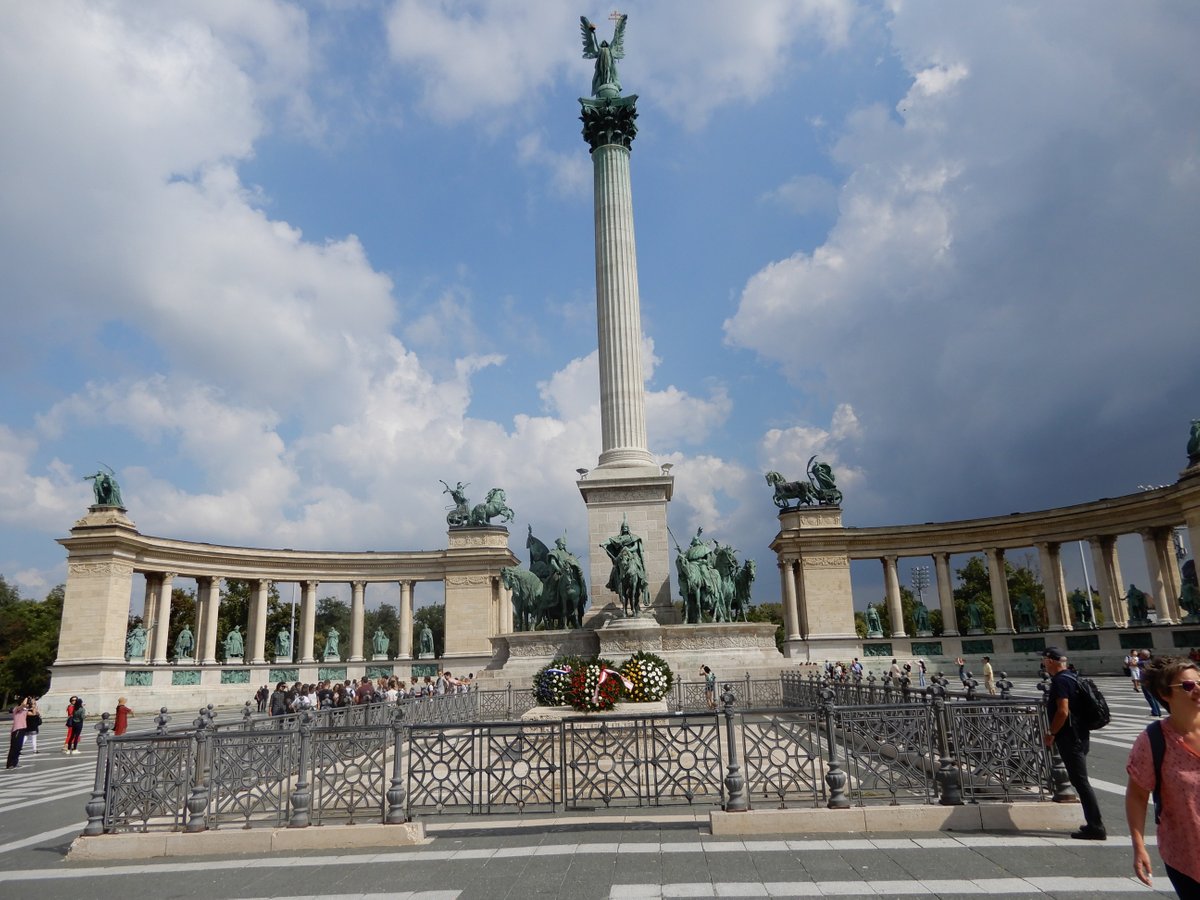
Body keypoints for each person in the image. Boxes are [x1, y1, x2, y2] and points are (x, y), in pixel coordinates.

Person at [1125, 655, 1200, 896]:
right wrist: (1139, 845)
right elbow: (1137, 795)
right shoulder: (1153, 741)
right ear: (1164, 694)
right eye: (1188, 685)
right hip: (1186, 857)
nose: (1198, 689)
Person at [1042, 647, 1105, 840]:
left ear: (1051, 661)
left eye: (1045, 660)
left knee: (1080, 782)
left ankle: (1096, 825)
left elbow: (1063, 711)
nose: (1043, 663)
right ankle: (1093, 824)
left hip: (1071, 737)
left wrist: (1052, 732)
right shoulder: (1072, 677)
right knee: (1080, 780)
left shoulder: (1061, 681)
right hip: (1081, 734)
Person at [1139, 649, 1163, 717]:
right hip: (1150, 681)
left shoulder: (1143, 662)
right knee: (1153, 697)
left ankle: (1155, 711)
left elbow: (1132, 663)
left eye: (1141, 654)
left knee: (1149, 697)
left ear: (1144, 655)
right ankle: (1157, 711)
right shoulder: (1150, 662)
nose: (1139, 655)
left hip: (1146, 681)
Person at [6, 698, 29, 768]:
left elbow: (34, 712)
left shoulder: (25, 710)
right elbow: (22, 705)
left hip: (22, 729)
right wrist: (26, 698)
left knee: (19, 747)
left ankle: (15, 762)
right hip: (17, 730)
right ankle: (10, 764)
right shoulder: (16, 709)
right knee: (14, 747)